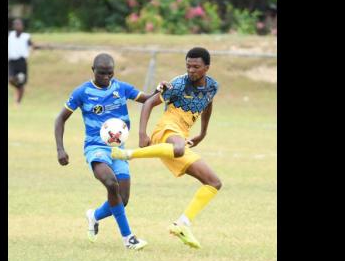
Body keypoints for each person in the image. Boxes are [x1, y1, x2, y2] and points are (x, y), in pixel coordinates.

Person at [54, 53, 171, 250]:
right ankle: (128, 238)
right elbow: (60, 119)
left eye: (109, 73)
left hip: (118, 150)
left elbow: (147, 100)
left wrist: (160, 91)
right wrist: (60, 149)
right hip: (95, 148)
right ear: (93, 70)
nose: (106, 77)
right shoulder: (82, 92)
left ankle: (94, 216)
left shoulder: (121, 88)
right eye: (101, 73)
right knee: (111, 183)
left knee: (122, 199)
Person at [111, 47, 222, 249]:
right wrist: (142, 134)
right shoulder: (179, 84)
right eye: (188, 66)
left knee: (213, 182)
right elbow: (148, 104)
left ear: (206, 67)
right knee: (179, 148)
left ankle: (182, 224)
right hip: (167, 130)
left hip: (181, 137)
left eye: (196, 67)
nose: (191, 70)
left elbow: (208, 105)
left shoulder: (212, 86)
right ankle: (127, 154)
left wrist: (203, 133)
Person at [8, 18, 40, 105]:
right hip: (11, 61)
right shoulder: (10, 35)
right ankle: (18, 88)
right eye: (16, 24)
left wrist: (34, 47)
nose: (17, 26)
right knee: (11, 79)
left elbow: (31, 44)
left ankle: (18, 102)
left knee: (21, 82)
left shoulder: (26, 36)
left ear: (22, 26)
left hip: (21, 61)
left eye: (19, 24)